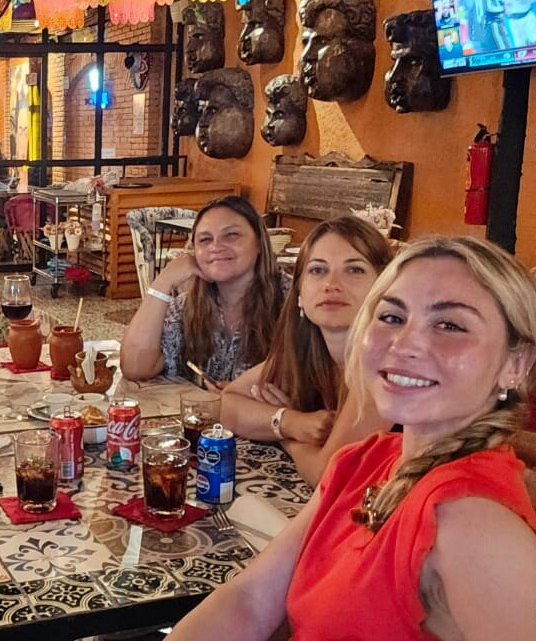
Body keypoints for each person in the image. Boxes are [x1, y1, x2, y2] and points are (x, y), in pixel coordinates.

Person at [167, 236, 536, 640]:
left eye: (450, 325)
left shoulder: (472, 521)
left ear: (516, 364)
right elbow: (250, 600)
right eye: (392, 317)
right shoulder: (365, 461)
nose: (404, 344)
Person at [221, 217, 393, 485]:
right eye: (317, 270)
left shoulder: (384, 364)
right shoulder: (304, 352)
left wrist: (289, 439)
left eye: (355, 270)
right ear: (299, 293)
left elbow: (328, 475)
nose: (331, 284)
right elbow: (226, 404)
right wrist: (291, 422)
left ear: (384, 289)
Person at [121, 195, 286, 386]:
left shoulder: (294, 301)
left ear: (259, 243)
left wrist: (242, 394)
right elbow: (135, 367)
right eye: (205, 239)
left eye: (231, 235)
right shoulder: (187, 307)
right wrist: (163, 282)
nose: (215, 246)